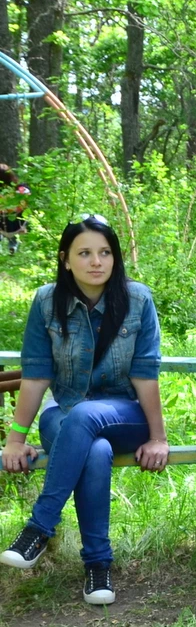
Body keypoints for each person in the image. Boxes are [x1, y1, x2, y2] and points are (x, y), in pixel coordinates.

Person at [0, 215, 169, 605]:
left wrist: (158, 437)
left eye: (105, 252)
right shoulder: (46, 302)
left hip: (126, 415)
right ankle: (98, 566)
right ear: (65, 259)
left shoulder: (138, 299)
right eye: (85, 253)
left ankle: (39, 528)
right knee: (94, 449)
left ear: (115, 258)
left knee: (83, 417)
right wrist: (15, 439)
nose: (96, 262)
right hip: (65, 413)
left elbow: (145, 374)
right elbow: (36, 375)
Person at [0, 164, 27, 255]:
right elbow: (26, 203)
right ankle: (13, 247)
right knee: (14, 237)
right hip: (17, 226)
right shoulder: (19, 188)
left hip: (1, 225)